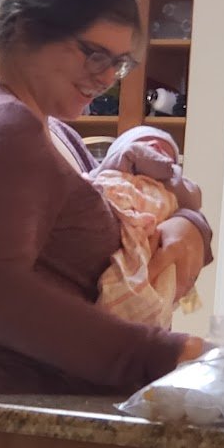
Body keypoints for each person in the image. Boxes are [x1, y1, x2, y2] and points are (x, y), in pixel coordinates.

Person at [0, 0, 213, 396]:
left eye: (118, 63)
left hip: (28, 410)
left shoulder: (53, 131)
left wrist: (189, 224)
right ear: (26, 28)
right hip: (11, 413)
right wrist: (160, 354)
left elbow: (104, 235)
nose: (106, 77)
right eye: (94, 54)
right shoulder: (4, 126)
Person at [88, 126, 203, 328]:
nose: (157, 149)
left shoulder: (171, 188)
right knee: (127, 279)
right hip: (134, 226)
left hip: (158, 240)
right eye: (147, 142)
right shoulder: (112, 173)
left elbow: (193, 199)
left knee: (166, 287)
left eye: (168, 153)